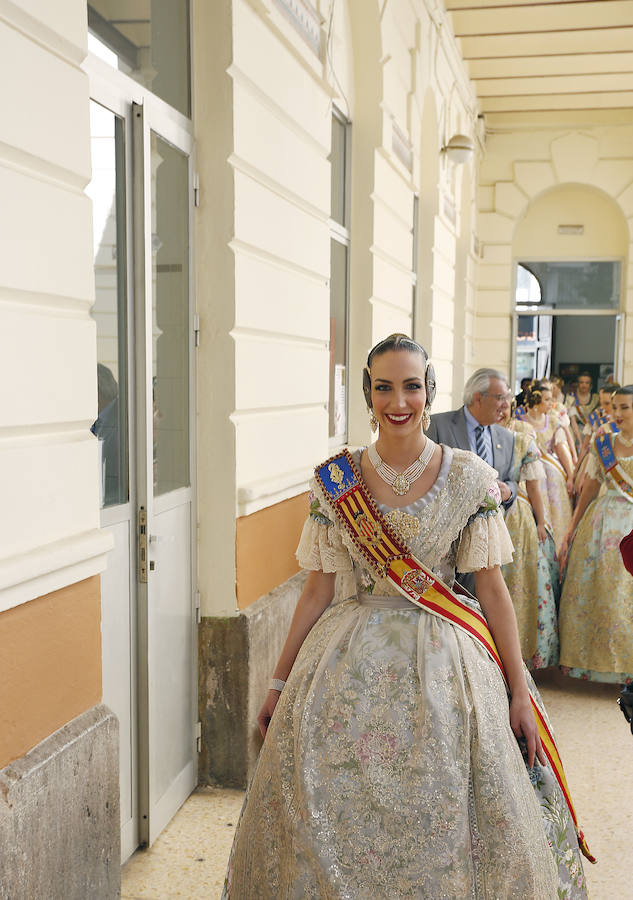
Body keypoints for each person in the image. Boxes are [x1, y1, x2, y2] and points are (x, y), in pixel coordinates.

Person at [223, 335, 589, 899]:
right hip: (345, 662)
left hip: (449, 666)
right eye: (384, 387)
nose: (399, 401)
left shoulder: (467, 476)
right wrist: (278, 679)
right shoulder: (337, 481)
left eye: (411, 386)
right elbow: (317, 590)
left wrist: (519, 690)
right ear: (367, 395)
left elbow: (492, 591)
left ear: (430, 391)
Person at [558, 385, 633, 685]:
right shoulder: (604, 443)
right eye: (614, 407)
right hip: (602, 525)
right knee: (599, 589)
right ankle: (596, 664)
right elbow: (590, 486)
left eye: (624, 407)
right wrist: (572, 526)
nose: (617, 413)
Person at [499, 407, 560, 670]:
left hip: (514, 518)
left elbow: (534, 486)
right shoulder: (519, 438)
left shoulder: (522, 439)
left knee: (515, 583)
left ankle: (515, 653)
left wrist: (539, 522)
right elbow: (533, 486)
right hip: (501, 517)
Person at [521, 382, 574, 553]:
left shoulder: (552, 421)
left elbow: (561, 449)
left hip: (552, 479)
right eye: (547, 399)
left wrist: (571, 475)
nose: (551, 403)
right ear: (536, 400)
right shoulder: (519, 422)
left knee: (557, 516)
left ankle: (557, 551)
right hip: (529, 475)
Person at [565, 372, 600, 448]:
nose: (584, 385)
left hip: (591, 430)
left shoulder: (596, 398)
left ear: (591, 385)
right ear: (577, 384)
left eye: (587, 383)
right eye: (581, 382)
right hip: (574, 432)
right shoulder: (570, 397)